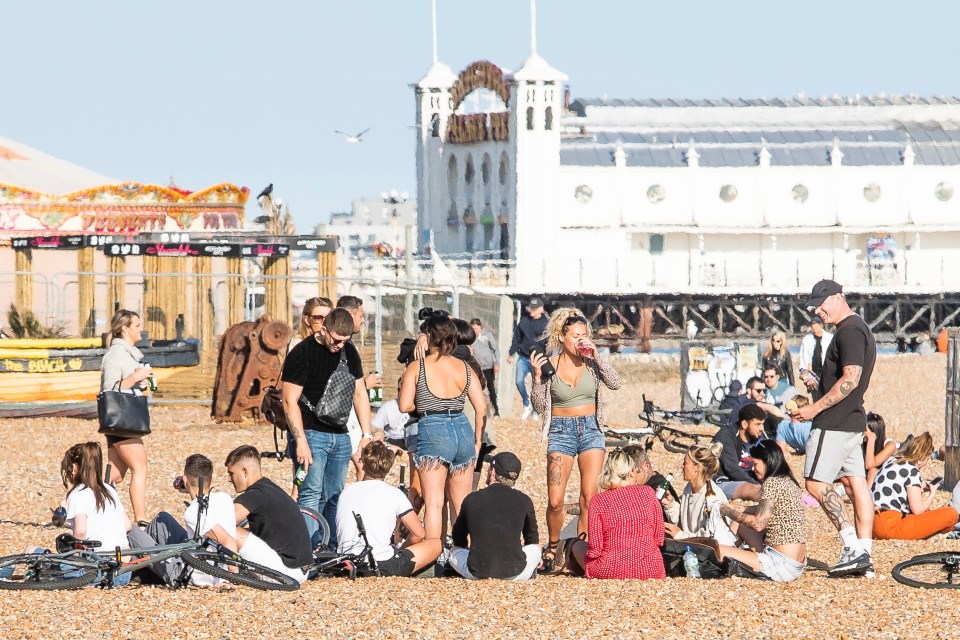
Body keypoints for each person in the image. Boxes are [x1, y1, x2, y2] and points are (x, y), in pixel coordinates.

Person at [792, 279, 877, 577]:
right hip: (853, 418)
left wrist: (814, 408)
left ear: (838, 297)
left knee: (814, 482)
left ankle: (853, 547)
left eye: (821, 303)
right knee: (857, 484)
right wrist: (819, 384)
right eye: (814, 306)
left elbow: (851, 378)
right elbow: (848, 379)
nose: (817, 311)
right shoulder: (859, 329)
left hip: (834, 421)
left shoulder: (849, 330)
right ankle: (865, 554)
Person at [530, 308, 622, 571]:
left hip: (591, 428)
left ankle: (581, 550)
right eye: (575, 335)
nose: (580, 340)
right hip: (560, 430)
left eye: (584, 334)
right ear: (561, 336)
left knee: (588, 497)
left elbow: (615, 383)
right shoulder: (550, 364)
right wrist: (537, 380)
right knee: (555, 499)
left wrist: (597, 356)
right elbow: (539, 406)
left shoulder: (591, 363)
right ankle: (554, 547)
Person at [281, 308, 373, 546]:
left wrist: (366, 433)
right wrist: (300, 440)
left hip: (340, 435)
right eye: (336, 339)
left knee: (334, 496)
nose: (340, 345)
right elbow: (289, 400)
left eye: (346, 340)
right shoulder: (302, 353)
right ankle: (308, 551)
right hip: (311, 433)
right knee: (310, 493)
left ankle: (330, 548)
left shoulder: (349, 351)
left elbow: (360, 392)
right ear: (323, 330)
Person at [398, 313, 487, 542]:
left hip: (433, 428)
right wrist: (478, 440)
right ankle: (462, 552)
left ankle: (433, 552)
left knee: (435, 502)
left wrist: (426, 400)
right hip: (462, 427)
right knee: (462, 501)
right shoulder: (464, 367)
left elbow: (404, 405)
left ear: (429, 337)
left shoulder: (418, 367)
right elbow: (481, 408)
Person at [128, 454, 241, 586]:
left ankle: (128, 567)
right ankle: (143, 565)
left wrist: (233, 578)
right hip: (200, 556)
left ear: (185, 479)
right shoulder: (225, 498)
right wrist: (189, 489)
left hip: (185, 573)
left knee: (131, 531)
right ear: (212, 480)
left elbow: (229, 541)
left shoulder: (193, 511)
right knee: (163, 519)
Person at [335, 441, 441, 576]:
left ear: (363, 463)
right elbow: (419, 533)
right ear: (389, 466)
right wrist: (401, 550)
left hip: (346, 563)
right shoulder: (394, 494)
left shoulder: (346, 492)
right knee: (436, 544)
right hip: (379, 565)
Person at [717, 440, 807, 583]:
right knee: (740, 524)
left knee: (717, 550)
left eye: (755, 464)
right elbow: (769, 511)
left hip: (780, 564)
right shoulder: (789, 481)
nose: (753, 469)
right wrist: (734, 508)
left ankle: (729, 551)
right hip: (797, 563)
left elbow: (758, 524)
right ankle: (733, 549)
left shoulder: (772, 483)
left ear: (768, 461)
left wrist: (727, 511)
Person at [567, 449, 665, 580]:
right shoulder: (648, 492)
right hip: (650, 569)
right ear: (630, 472)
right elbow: (659, 538)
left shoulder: (598, 500)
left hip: (610, 570)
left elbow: (595, 548)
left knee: (577, 546)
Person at [225, 445, 311, 584]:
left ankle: (229, 575)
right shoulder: (270, 488)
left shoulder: (254, 495)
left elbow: (223, 523)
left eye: (231, 473)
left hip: (287, 573)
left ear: (245, 471)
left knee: (230, 531)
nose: (229, 479)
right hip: (301, 569)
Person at [448, 452, 540, 580]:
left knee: (453, 551)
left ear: (492, 472)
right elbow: (532, 539)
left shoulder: (472, 499)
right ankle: (530, 570)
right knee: (536, 548)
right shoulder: (524, 500)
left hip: (477, 573)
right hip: (516, 573)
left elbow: (458, 538)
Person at [100, 309, 152, 525]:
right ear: (125, 328)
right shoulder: (115, 355)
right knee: (139, 467)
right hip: (122, 422)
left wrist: (142, 382)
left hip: (120, 423)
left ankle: (69, 506)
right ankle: (141, 519)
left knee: (114, 476)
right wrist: (135, 377)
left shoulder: (128, 353)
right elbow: (110, 389)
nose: (141, 329)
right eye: (137, 325)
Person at [56, 443, 133, 586]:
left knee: (34, 553)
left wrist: (73, 559)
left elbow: (80, 532)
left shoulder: (78, 493)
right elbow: (127, 525)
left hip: (96, 570)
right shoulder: (109, 490)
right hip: (123, 572)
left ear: (74, 468)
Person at [871, 432, 960, 540]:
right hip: (890, 525)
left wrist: (919, 488)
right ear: (921, 458)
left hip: (872, 523)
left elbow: (895, 489)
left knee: (930, 514)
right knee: (951, 514)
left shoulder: (892, 461)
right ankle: (940, 533)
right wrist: (932, 493)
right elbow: (918, 510)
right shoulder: (912, 470)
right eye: (927, 459)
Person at [338, 295, 382, 482]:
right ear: (349, 315)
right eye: (361, 315)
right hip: (343, 413)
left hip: (350, 413)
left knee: (362, 461)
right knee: (361, 461)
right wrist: (365, 384)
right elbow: (337, 386)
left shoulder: (348, 344)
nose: (363, 320)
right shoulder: (340, 345)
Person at [662, 443, 739, 546]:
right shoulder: (689, 488)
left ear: (697, 467)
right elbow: (682, 522)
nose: (682, 466)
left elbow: (710, 536)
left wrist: (681, 536)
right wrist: (670, 504)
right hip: (691, 544)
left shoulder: (712, 497)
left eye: (685, 463)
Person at [712, 403, 765, 501]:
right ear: (744, 424)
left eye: (762, 424)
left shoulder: (758, 437)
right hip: (723, 481)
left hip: (749, 479)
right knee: (754, 490)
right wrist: (756, 484)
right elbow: (732, 469)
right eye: (757, 424)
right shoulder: (726, 436)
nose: (762, 428)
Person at [507, 297, 549, 421]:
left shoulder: (546, 323)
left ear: (541, 309)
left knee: (537, 384)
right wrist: (511, 353)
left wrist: (547, 357)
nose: (531, 310)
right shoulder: (524, 321)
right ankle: (527, 403)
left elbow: (549, 343)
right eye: (530, 308)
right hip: (524, 357)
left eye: (534, 308)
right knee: (519, 381)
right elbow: (517, 338)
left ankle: (536, 410)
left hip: (539, 359)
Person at [471, 318, 501, 417]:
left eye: (477, 328)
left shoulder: (487, 335)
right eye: (474, 328)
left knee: (490, 387)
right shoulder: (471, 338)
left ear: (480, 327)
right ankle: (484, 409)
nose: (476, 330)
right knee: (479, 388)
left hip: (488, 366)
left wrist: (497, 363)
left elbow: (495, 349)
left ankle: (496, 409)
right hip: (477, 367)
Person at [761, 366, 798, 437]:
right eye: (766, 377)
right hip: (769, 425)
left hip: (787, 421)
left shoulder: (788, 389)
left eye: (771, 376)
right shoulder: (762, 390)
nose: (768, 379)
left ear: (777, 377)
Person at [372, 379, 410, 450]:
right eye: (399, 389)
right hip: (393, 440)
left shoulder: (419, 407)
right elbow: (374, 428)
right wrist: (378, 434)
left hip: (413, 440)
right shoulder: (387, 407)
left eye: (405, 389)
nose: (401, 393)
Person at [863, 412, 898, 487]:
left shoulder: (890, 445)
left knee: (872, 472)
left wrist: (871, 439)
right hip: (874, 480)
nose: (862, 433)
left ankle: (866, 498)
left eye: (865, 431)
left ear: (874, 431)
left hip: (890, 479)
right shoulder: (863, 444)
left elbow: (869, 465)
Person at [798, 316, 832, 381]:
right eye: (813, 328)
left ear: (821, 326)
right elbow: (802, 355)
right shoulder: (806, 339)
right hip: (812, 371)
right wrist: (803, 369)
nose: (815, 330)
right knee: (815, 390)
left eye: (816, 328)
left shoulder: (830, 338)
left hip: (827, 370)